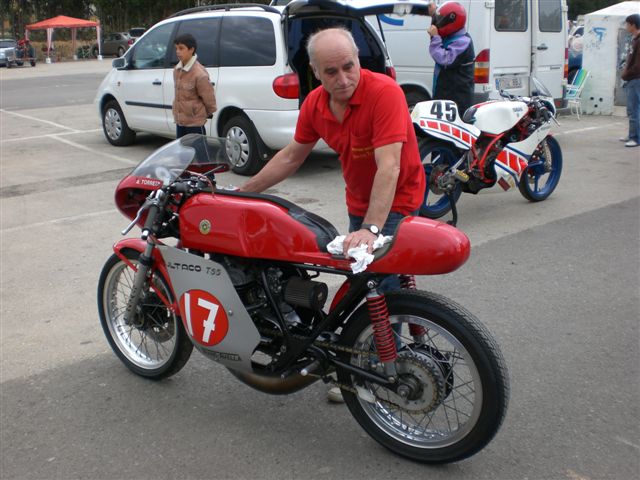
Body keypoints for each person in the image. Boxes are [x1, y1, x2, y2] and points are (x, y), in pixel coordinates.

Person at [239, 27, 426, 402]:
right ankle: (375, 356)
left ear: (358, 60)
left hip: (397, 201)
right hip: (360, 202)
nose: (343, 79)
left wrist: (373, 228)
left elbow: (388, 166)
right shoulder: (315, 105)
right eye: (331, 72)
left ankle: (380, 375)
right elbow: (293, 155)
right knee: (368, 279)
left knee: (380, 288)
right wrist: (244, 192)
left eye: (349, 67)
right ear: (315, 71)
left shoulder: (384, 93)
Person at [426, 1, 475, 116]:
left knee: (454, 133)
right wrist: (434, 14)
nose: (438, 24)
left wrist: (435, 37)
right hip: (445, 96)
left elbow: (444, 60)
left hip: (457, 101)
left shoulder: (463, 41)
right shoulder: (452, 36)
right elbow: (443, 20)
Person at [172, 33, 217, 138]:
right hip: (180, 122)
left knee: (198, 152)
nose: (178, 52)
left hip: (195, 123)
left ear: (191, 49)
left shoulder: (199, 73)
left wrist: (208, 111)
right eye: (176, 48)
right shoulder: (177, 70)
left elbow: (208, 97)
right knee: (182, 151)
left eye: (181, 48)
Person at [621, 13, 640, 148]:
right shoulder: (635, 39)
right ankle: (632, 134)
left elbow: (638, 65)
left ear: (633, 24)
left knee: (634, 109)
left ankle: (635, 138)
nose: (626, 26)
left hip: (635, 79)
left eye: (627, 24)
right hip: (632, 78)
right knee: (631, 109)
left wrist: (627, 74)